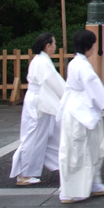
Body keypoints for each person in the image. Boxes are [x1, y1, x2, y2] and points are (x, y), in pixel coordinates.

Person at [58, 29, 104, 204]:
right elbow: (96, 90)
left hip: (75, 110)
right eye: (93, 45)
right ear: (89, 46)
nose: (94, 48)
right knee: (79, 152)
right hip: (80, 114)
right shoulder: (83, 67)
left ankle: (93, 183)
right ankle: (72, 191)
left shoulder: (74, 63)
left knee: (87, 150)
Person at [10, 33, 65, 186]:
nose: (55, 46)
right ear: (48, 45)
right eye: (54, 43)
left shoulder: (40, 60)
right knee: (34, 137)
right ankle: (25, 174)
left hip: (39, 100)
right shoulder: (42, 62)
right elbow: (55, 83)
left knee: (49, 135)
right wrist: (68, 95)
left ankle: (64, 163)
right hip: (39, 102)